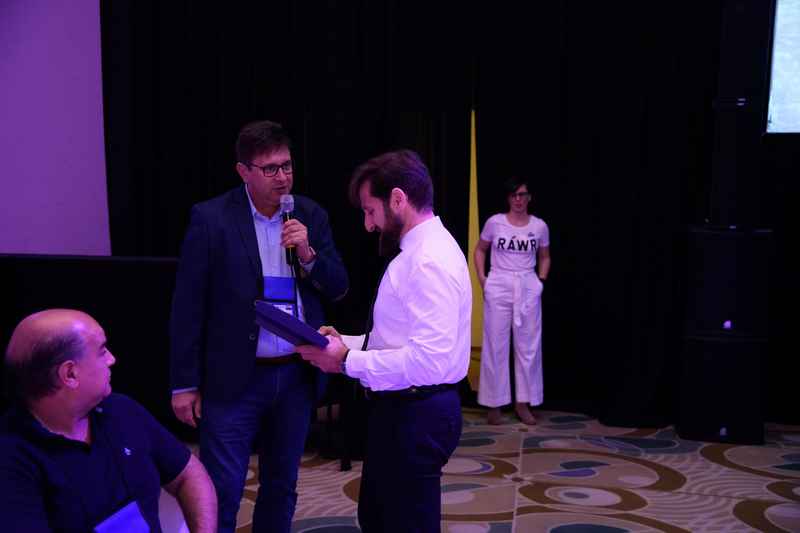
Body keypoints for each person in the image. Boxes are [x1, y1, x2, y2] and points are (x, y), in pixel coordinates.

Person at [170, 119, 349, 532]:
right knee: (224, 489)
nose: (282, 177)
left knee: (281, 487)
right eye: (270, 169)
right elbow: (188, 306)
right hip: (235, 378)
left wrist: (308, 254)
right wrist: (184, 383)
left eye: (287, 166)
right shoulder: (211, 219)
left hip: (295, 376)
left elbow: (339, 287)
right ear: (243, 171)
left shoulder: (309, 214)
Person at [296, 149, 471, 533]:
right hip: (405, 408)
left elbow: (428, 362)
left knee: (404, 524)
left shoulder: (428, 260)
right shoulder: (422, 251)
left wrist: (345, 361)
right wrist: (345, 343)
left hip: (417, 412)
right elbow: (398, 340)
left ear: (397, 199)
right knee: (379, 518)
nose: (368, 225)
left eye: (370, 211)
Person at [0, 309, 217, 533]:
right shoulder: (12, 459)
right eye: (102, 351)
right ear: (70, 374)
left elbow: (189, 475)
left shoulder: (122, 410)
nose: (112, 360)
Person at [474, 178, 551, 425]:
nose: (518, 199)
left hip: (527, 285)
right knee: (495, 345)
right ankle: (494, 403)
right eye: (514, 195)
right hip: (499, 283)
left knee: (528, 347)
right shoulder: (495, 223)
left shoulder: (539, 226)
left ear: (529, 198)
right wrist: (483, 279)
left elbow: (545, 256)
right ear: (508, 198)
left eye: (522, 195)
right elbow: (480, 250)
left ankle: (523, 403)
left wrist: (540, 281)